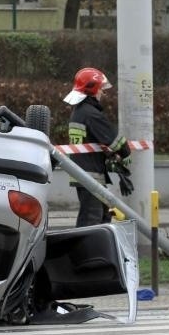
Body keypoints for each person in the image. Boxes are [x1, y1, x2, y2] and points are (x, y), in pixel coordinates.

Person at [63, 67, 131, 227]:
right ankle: (83, 250)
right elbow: (115, 141)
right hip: (90, 175)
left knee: (104, 214)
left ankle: (97, 250)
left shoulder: (78, 111)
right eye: (101, 88)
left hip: (85, 174)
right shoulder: (91, 114)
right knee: (91, 219)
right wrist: (124, 152)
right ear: (92, 89)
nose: (103, 93)